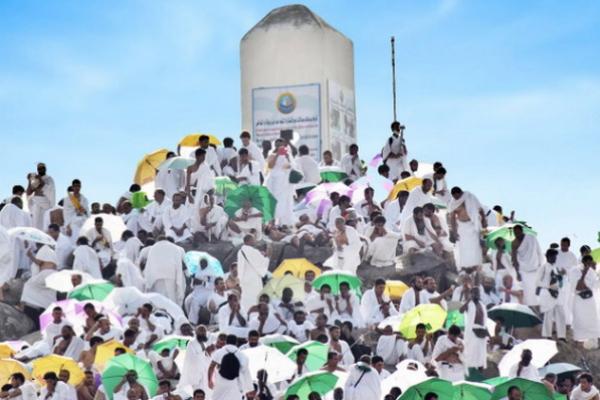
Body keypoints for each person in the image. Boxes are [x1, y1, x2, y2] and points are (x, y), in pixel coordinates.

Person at [448, 187, 486, 272]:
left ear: (460, 193)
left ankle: (476, 267)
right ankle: (465, 268)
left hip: (473, 225)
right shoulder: (453, 203)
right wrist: (454, 232)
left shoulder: (470, 197)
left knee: (475, 248)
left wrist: (484, 221)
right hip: (462, 227)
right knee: (464, 248)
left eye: (457, 196)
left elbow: (480, 209)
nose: (456, 198)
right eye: (454, 197)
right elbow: (452, 219)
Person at [207, 334, 253, 400]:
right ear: (236, 343)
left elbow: (211, 367)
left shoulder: (218, 352)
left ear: (226, 342)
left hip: (220, 382)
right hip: (236, 384)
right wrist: (249, 388)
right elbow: (246, 373)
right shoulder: (243, 355)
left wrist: (210, 381)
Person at [143, 237, 186, 305]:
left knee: (159, 301)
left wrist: (148, 283)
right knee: (172, 301)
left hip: (157, 278)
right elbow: (180, 266)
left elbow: (149, 266)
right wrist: (179, 284)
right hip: (172, 277)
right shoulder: (176, 248)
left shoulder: (153, 248)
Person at [536, 248, 567, 340]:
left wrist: (562, 275)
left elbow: (559, 280)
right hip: (547, 294)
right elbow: (537, 282)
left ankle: (562, 336)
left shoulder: (556, 268)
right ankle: (547, 335)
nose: (554, 258)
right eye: (553, 256)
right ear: (548, 256)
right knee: (548, 315)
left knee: (561, 315)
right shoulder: (543, 267)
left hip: (557, 294)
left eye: (555, 256)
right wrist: (549, 286)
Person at [571, 255, 600, 346]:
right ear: (583, 263)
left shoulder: (592, 272)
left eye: (589, 264)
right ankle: (577, 342)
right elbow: (578, 286)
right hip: (579, 300)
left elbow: (594, 287)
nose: (588, 265)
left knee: (593, 320)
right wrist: (583, 274)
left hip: (590, 301)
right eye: (587, 263)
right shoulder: (575, 271)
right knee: (579, 320)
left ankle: (597, 340)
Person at [512, 224, 544, 306]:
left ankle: (537, 308)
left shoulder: (531, 238)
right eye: (515, 233)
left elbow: (539, 251)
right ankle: (529, 308)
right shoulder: (514, 243)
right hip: (524, 271)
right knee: (527, 294)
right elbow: (514, 259)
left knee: (537, 292)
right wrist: (517, 272)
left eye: (518, 232)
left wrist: (542, 266)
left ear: (522, 231)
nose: (517, 234)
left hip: (536, 268)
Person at [265, 139, 295, 226]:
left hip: (284, 183)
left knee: (284, 203)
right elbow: (270, 166)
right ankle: (272, 222)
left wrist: (287, 157)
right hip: (274, 182)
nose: (280, 147)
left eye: (281, 145)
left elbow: (290, 166)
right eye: (278, 145)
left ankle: (283, 223)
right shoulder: (272, 155)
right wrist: (278, 154)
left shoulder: (287, 155)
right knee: (274, 202)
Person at [20, 245, 58, 311]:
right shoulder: (53, 253)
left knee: (28, 285)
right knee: (49, 293)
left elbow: (40, 262)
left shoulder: (45, 250)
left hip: (46, 274)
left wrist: (30, 255)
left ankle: (22, 307)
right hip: (52, 274)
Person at [236, 234, 269, 311]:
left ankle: (246, 312)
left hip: (244, 278)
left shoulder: (240, 251)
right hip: (253, 278)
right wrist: (267, 257)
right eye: (253, 239)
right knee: (255, 297)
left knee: (245, 298)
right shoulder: (253, 251)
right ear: (249, 241)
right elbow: (262, 262)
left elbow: (240, 266)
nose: (255, 241)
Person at [459, 287, 488, 370]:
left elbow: (484, 320)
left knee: (481, 356)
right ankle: (470, 373)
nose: (476, 294)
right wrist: (468, 300)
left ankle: (480, 374)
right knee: (471, 354)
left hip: (482, 331)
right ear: (471, 294)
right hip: (472, 332)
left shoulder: (482, 305)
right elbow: (460, 311)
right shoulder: (469, 303)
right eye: (474, 292)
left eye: (478, 293)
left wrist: (488, 334)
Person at [178, 325, 213, 391]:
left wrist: (209, 352)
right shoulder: (191, 343)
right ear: (196, 333)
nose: (202, 334)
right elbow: (192, 358)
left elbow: (206, 358)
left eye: (204, 332)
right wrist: (205, 352)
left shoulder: (204, 344)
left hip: (203, 373)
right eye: (201, 332)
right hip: (194, 374)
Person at [26, 163, 56, 230]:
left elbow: (48, 189)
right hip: (36, 203)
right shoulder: (35, 180)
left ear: (45, 169)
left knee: (43, 223)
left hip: (45, 204)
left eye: (42, 168)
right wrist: (29, 180)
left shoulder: (49, 179)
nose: (41, 170)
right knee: (35, 223)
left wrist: (40, 179)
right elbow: (28, 192)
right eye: (39, 168)